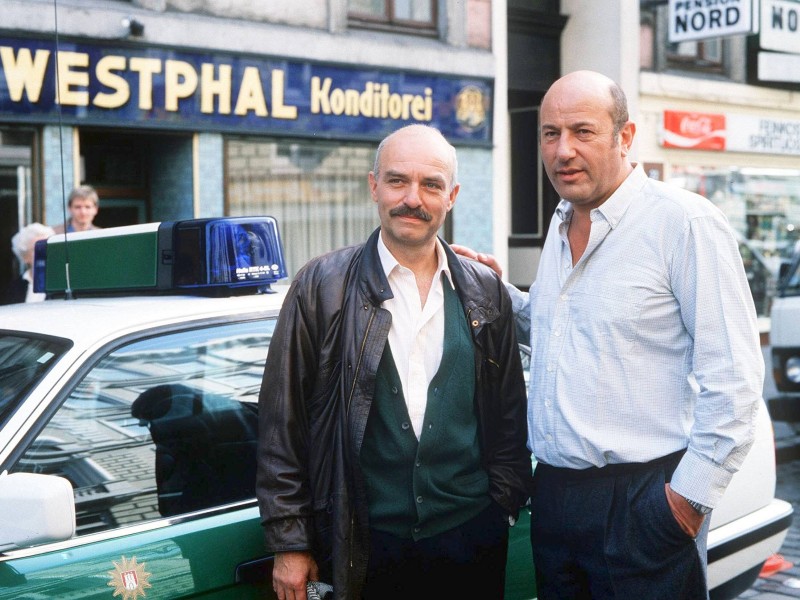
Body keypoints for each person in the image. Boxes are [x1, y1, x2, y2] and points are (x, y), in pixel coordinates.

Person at [453, 70, 764, 599]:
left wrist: (685, 503)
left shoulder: (683, 223)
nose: (562, 150)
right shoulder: (561, 221)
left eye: (582, 131)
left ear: (625, 137)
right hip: (553, 497)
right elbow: (554, 332)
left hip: (643, 501)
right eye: (550, 133)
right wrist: (492, 289)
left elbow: (733, 379)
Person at [256, 124, 531, 600]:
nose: (413, 199)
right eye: (398, 181)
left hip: (471, 541)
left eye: (431, 184)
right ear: (374, 186)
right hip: (363, 546)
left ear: (453, 196)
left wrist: (501, 505)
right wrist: (291, 543)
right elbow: (283, 426)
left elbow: (510, 411)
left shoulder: (484, 290)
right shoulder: (320, 288)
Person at [3, 222, 55, 304]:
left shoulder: (63, 284)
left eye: (47, 247)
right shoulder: (14, 288)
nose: (44, 252)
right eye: (38, 249)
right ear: (25, 257)